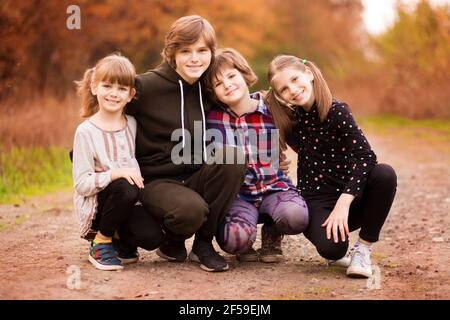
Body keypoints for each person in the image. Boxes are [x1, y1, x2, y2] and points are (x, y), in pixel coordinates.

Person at [126, 16, 246, 272]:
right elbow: (106, 112)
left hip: (196, 175)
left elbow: (243, 98)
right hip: (157, 182)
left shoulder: (209, 87)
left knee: (232, 156)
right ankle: (172, 239)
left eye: (202, 51)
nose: (195, 58)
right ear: (172, 53)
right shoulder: (145, 86)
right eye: (186, 51)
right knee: (190, 211)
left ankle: (203, 245)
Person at [267, 55, 397, 278]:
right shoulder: (292, 122)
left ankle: (363, 250)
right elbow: (256, 106)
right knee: (332, 248)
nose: (293, 90)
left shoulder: (337, 111)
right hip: (316, 200)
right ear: (280, 96)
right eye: (284, 89)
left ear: (308, 73)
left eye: (295, 79)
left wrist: (345, 201)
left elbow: (366, 157)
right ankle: (337, 250)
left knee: (384, 174)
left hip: (349, 196)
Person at [205, 48, 309, 263]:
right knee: (234, 241)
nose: (227, 84)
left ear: (244, 74)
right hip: (238, 196)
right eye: (218, 83)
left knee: (297, 218)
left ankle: (272, 231)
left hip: (274, 189)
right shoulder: (212, 118)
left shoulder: (273, 109)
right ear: (213, 91)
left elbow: (303, 144)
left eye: (231, 76)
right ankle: (245, 239)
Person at [73, 54, 164, 271]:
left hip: (129, 199)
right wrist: (114, 173)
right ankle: (101, 241)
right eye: (107, 86)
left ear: (131, 94)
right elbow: (81, 184)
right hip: (99, 204)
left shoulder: (132, 124)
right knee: (125, 186)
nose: (114, 94)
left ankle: (121, 240)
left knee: (153, 238)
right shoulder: (85, 132)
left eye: (122, 89)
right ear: (94, 87)